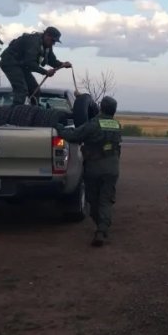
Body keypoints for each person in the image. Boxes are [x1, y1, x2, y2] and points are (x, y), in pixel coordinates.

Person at [56, 96, 121, 247]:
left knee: (93, 200)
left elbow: (74, 135)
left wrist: (58, 127)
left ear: (101, 107)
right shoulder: (117, 125)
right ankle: (102, 228)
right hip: (112, 167)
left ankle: (101, 228)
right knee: (106, 200)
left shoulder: (94, 124)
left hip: (95, 167)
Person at [0, 26, 72, 106]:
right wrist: (45, 72)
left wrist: (63, 64)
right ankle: (15, 114)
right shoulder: (33, 42)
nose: (53, 43)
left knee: (35, 89)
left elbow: (52, 61)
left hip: (22, 66)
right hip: (10, 63)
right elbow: (29, 63)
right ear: (47, 35)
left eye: (55, 42)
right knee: (21, 90)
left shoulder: (47, 47)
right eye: (53, 40)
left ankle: (33, 112)